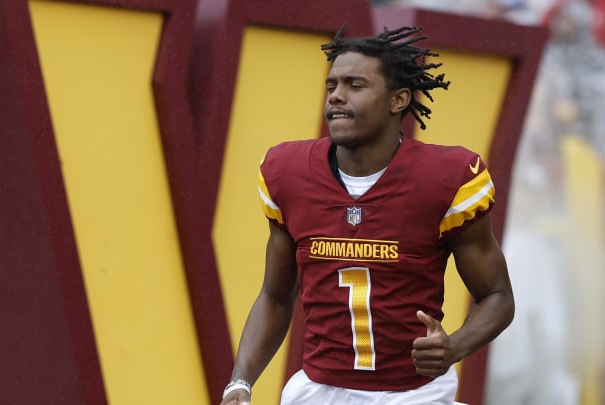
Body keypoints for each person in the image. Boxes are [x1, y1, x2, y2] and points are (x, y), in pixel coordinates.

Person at [220, 25, 515, 405]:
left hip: (415, 395)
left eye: (355, 85)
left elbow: (497, 296)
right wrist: (240, 381)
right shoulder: (287, 172)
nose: (336, 97)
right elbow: (276, 296)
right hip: (318, 391)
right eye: (331, 86)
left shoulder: (446, 178)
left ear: (398, 100)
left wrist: (453, 347)